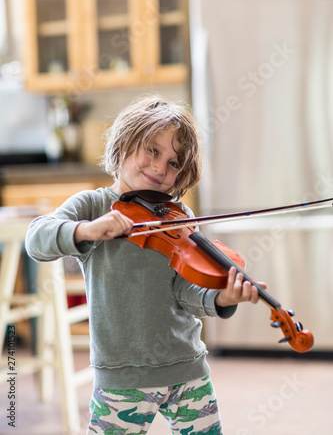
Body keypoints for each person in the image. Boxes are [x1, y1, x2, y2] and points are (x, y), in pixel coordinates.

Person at [25, 94, 266, 435]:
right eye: (152, 151)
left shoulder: (177, 218)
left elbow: (185, 290)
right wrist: (88, 230)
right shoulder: (93, 206)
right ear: (125, 143)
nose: (160, 168)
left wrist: (220, 299)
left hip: (188, 370)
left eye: (173, 163)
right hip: (121, 378)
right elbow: (37, 238)